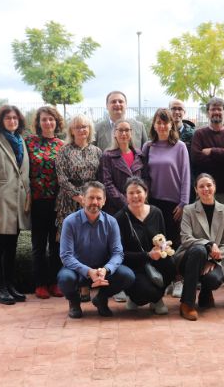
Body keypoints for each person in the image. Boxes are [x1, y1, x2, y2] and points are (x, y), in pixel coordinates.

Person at [57, 181, 136, 318]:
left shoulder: (111, 222)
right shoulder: (70, 222)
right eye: (91, 197)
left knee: (127, 275)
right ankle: (74, 302)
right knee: (65, 279)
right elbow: (66, 256)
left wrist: (106, 269)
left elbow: (118, 253)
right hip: (77, 270)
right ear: (83, 198)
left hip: (102, 271)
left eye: (99, 198)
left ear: (104, 201)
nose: (95, 201)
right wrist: (88, 271)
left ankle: (101, 299)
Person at [0, 105, 31, 305]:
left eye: (15, 118)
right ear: (1, 121)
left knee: (12, 246)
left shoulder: (21, 141)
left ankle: (10, 285)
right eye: (8, 118)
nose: (12, 121)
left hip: (18, 202)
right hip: (1, 202)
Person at [141, 108, 191, 299]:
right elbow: (144, 176)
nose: (162, 126)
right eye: (158, 122)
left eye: (165, 122)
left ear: (171, 125)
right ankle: (162, 279)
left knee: (175, 242)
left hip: (175, 203)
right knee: (156, 243)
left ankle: (178, 279)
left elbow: (186, 175)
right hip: (153, 203)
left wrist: (184, 202)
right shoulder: (148, 146)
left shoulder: (179, 147)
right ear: (154, 125)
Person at [56, 114, 102, 302]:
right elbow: (62, 178)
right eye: (77, 127)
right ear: (71, 131)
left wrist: (91, 198)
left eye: (85, 127)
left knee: (91, 242)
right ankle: (80, 285)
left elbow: (100, 177)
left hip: (92, 202)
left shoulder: (97, 151)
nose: (82, 130)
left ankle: (91, 281)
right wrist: (78, 196)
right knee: (74, 244)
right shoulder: (64, 151)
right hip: (70, 201)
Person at [174, 173, 224, 321]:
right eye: (201, 186)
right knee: (199, 250)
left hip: (214, 260)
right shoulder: (188, 210)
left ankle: (206, 293)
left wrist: (213, 260)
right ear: (196, 190)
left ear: (215, 187)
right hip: (187, 258)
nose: (205, 189)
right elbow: (186, 239)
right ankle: (187, 303)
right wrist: (209, 244)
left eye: (209, 185)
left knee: (214, 279)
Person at [114, 177, 176, 315]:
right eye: (131, 193)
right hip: (134, 266)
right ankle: (139, 297)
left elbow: (162, 239)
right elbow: (120, 254)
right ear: (125, 196)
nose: (135, 196)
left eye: (139, 192)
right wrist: (147, 255)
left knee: (172, 263)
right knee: (144, 294)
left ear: (146, 193)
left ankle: (156, 298)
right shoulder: (120, 218)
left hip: (156, 262)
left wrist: (162, 249)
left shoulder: (156, 212)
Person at [25, 106, 65, 299]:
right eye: (44, 119)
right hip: (37, 201)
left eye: (51, 119)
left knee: (56, 244)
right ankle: (40, 283)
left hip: (57, 202)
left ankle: (56, 282)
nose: (48, 123)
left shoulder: (62, 145)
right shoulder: (29, 143)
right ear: (38, 122)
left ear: (56, 122)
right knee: (39, 245)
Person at [190, 97, 224, 206]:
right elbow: (196, 158)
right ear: (208, 113)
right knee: (204, 222)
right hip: (204, 189)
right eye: (213, 109)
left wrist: (211, 151)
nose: (216, 112)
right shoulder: (199, 134)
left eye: (219, 109)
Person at [101, 119, 145, 215]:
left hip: (138, 205)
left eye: (127, 130)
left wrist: (140, 199)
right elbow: (107, 183)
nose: (124, 133)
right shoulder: (108, 155)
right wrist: (126, 203)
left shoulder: (139, 155)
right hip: (116, 208)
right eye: (120, 130)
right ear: (114, 133)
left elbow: (146, 179)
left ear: (131, 133)